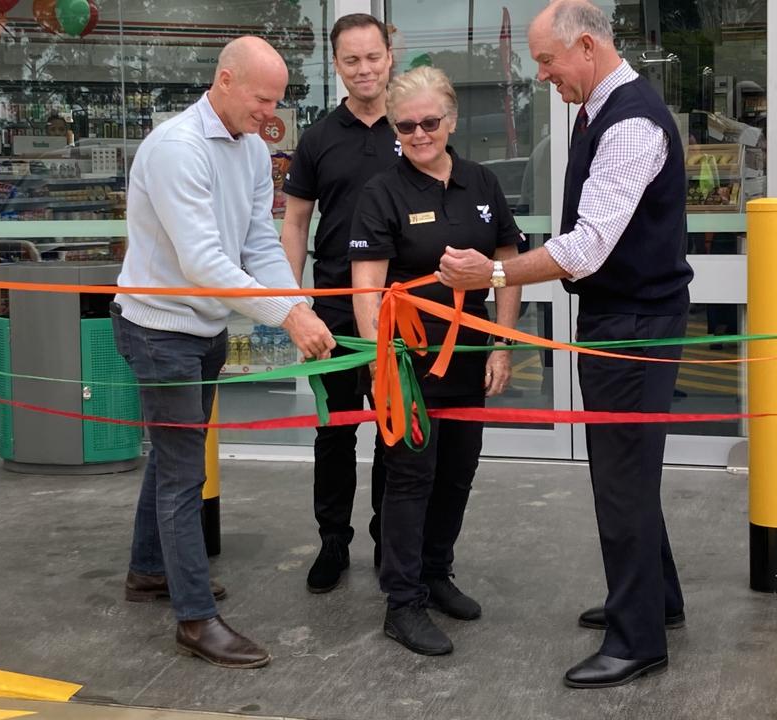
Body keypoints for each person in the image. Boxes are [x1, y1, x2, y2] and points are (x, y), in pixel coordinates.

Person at [437, 0, 693, 688]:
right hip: (624, 319)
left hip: (634, 326)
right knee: (630, 471)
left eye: (547, 60)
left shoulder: (631, 123)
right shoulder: (600, 110)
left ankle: (636, 639)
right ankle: (654, 601)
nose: (541, 73)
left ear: (585, 47)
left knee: (621, 480)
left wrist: (490, 272)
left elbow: (585, 247)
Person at [110, 36, 335, 670]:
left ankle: (150, 571)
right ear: (226, 80)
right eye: (262, 99)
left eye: (277, 101)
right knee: (184, 472)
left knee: (173, 457)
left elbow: (258, 243)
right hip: (159, 330)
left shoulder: (251, 151)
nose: (271, 113)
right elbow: (203, 262)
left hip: (201, 330)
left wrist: (299, 305)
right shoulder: (178, 149)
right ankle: (194, 620)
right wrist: (288, 316)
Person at [350, 65, 523, 656]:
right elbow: (366, 286)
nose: (418, 134)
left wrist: (503, 341)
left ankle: (435, 572)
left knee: (457, 470)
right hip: (409, 361)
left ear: (451, 119)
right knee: (409, 478)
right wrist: (381, 365)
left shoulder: (481, 183)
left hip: (471, 355)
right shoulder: (382, 193)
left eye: (429, 122)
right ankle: (402, 602)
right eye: (406, 126)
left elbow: (506, 260)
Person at [280, 13, 398, 593]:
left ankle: (388, 539)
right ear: (337, 66)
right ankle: (333, 542)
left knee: (395, 428)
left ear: (389, 55)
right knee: (336, 430)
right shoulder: (319, 139)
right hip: (334, 308)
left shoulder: (415, 128)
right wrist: (293, 300)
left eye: (372, 57)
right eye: (351, 60)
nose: (364, 69)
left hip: (402, 310)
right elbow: (296, 221)